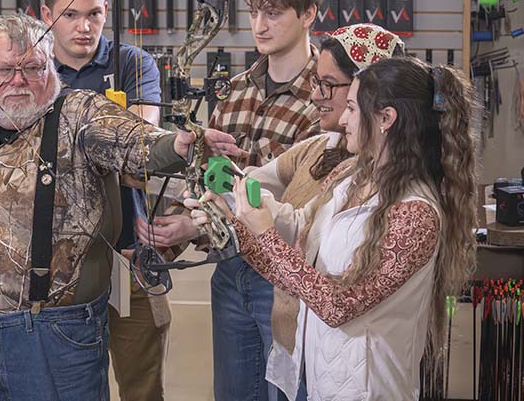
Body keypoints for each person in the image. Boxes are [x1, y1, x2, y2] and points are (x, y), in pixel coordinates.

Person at [0, 12, 240, 401]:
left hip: (54, 337)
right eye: (3, 69)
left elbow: (141, 145)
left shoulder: (80, 113)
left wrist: (180, 146)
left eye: (33, 68)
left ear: (51, 65)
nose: (18, 81)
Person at [190, 56, 478, 400]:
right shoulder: (350, 176)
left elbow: (338, 306)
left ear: (386, 119)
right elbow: (299, 274)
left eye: (353, 109)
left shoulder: (416, 215)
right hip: (323, 383)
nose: (343, 119)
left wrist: (263, 230)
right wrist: (233, 222)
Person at [136, 0, 324, 401]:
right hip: (230, 271)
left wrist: (197, 222)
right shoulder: (234, 91)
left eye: (274, 12)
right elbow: (205, 180)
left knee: (291, 392)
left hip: (285, 279)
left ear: (309, 14)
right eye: (254, 10)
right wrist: (170, 235)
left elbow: (297, 206)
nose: (260, 23)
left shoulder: (327, 98)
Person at [244, 23, 404, 397]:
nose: (316, 95)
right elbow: (265, 181)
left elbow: (333, 297)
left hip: (342, 364)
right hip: (297, 347)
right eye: (316, 81)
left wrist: (255, 213)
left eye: (330, 86)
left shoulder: (384, 186)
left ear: (374, 99)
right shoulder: (324, 149)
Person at [40, 0, 168, 401]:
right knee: (65, 386)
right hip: (54, 261)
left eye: (93, 14)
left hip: (125, 256)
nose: (83, 26)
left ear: (106, 11)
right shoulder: (30, 74)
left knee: (140, 384)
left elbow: (139, 151)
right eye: (70, 15)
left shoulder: (132, 63)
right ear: (46, 16)